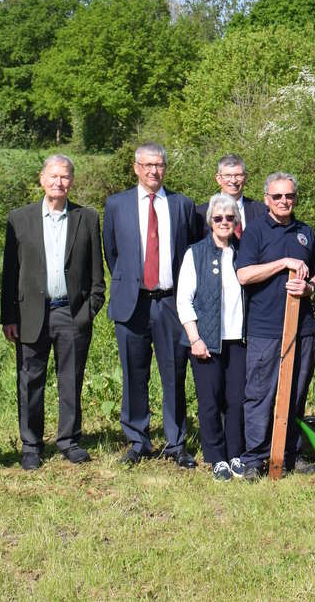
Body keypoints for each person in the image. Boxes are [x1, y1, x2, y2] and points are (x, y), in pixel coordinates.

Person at [0, 154, 105, 470]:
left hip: (69, 313)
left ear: (72, 181)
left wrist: (86, 313)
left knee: (70, 379)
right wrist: (9, 317)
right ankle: (31, 445)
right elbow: (9, 273)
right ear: (41, 179)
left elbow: (97, 277)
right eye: (53, 176)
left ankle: (69, 441)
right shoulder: (20, 219)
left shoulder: (86, 218)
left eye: (65, 177)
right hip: (31, 313)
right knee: (30, 380)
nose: (59, 182)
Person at [102, 143, 199, 467]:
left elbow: (190, 253)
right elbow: (112, 253)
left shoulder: (182, 205)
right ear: (136, 168)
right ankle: (137, 440)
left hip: (170, 302)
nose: (153, 171)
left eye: (159, 165)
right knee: (133, 373)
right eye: (147, 165)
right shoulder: (116, 205)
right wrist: (130, 283)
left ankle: (176, 443)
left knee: (174, 373)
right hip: (133, 302)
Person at [235, 172, 315, 479]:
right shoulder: (255, 231)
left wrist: (309, 287)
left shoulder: (306, 232)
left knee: (297, 391)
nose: (284, 201)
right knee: (260, 393)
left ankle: (289, 452)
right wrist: (283, 263)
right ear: (267, 198)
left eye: (289, 196)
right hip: (265, 328)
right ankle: (256, 457)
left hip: (303, 327)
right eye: (277, 197)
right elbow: (244, 275)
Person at [177, 194, 248, 482]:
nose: (224, 223)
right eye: (218, 218)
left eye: (229, 218)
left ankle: (236, 454)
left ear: (236, 221)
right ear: (210, 222)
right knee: (210, 400)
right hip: (206, 340)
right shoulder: (195, 253)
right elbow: (184, 300)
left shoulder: (245, 252)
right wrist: (195, 338)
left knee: (237, 400)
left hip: (239, 340)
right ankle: (216, 457)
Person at [194, 154, 268, 240]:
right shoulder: (200, 213)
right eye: (227, 176)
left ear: (245, 177)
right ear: (218, 179)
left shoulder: (261, 211)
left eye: (238, 175)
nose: (233, 180)